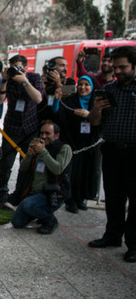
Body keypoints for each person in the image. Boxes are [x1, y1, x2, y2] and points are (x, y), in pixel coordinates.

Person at [88, 45, 136, 263]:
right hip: (112, 150)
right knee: (114, 197)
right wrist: (96, 109)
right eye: (115, 67)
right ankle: (112, 235)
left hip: (134, 151)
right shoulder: (110, 89)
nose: (118, 71)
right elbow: (95, 123)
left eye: (123, 67)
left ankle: (133, 244)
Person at [0, 55, 43, 208]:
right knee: (6, 164)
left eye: (19, 67)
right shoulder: (9, 80)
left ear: (26, 68)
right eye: (13, 67)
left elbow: (38, 99)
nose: (16, 70)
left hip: (29, 128)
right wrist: (4, 80)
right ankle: (2, 194)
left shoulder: (34, 78)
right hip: (12, 128)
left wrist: (25, 82)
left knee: (27, 164)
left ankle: (21, 194)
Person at [11, 122, 72, 235]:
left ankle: (50, 220)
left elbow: (58, 169)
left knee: (27, 204)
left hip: (51, 193)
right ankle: (39, 212)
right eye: (42, 133)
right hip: (34, 192)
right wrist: (29, 155)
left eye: (47, 133)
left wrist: (43, 151)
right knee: (17, 222)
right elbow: (23, 168)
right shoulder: (38, 147)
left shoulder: (64, 148)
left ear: (56, 136)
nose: (43, 136)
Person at [55, 76, 100, 213]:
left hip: (90, 144)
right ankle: (71, 200)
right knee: (73, 172)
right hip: (74, 142)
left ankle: (81, 199)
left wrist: (89, 115)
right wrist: (57, 100)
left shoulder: (97, 102)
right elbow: (60, 116)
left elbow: (101, 120)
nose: (83, 87)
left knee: (87, 172)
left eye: (87, 84)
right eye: (80, 84)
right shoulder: (71, 100)